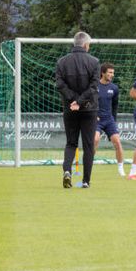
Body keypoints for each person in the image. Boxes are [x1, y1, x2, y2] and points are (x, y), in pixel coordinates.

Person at [55, 31, 100, 189]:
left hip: (70, 108)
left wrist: (73, 100)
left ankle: (67, 171)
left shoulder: (62, 62)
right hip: (89, 109)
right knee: (89, 146)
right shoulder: (94, 62)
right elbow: (94, 87)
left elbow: (60, 85)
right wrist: (80, 101)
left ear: (74, 44)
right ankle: (86, 181)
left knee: (71, 143)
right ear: (86, 45)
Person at [94, 62, 125, 177]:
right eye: (110, 72)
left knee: (117, 141)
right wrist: (93, 115)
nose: (112, 75)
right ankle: (89, 164)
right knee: (95, 140)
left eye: (113, 73)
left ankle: (121, 168)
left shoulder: (114, 88)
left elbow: (115, 106)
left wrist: (114, 120)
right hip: (96, 119)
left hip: (109, 119)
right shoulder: (95, 85)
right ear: (103, 73)